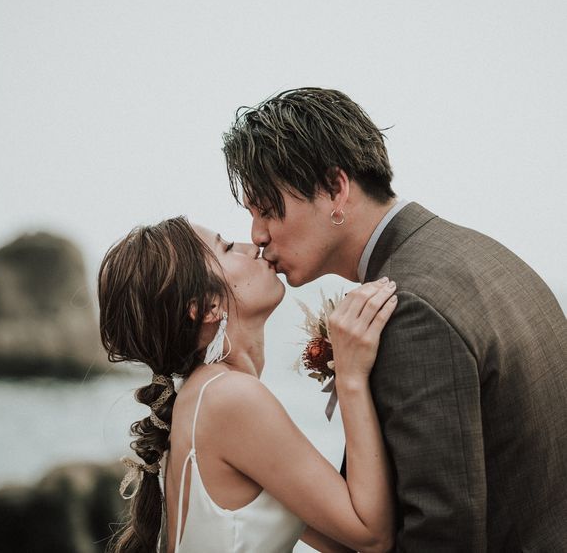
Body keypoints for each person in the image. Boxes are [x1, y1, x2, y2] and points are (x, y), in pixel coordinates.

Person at [222, 87, 567, 552]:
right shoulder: (485, 255)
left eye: (267, 210)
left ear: (335, 190)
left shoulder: (411, 310)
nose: (257, 235)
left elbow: (440, 534)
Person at [98, 216, 398, 553]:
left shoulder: (202, 397)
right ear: (207, 307)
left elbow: (341, 543)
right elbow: (372, 536)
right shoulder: (226, 397)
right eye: (227, 248)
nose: (252, 246)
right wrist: (352, 378)